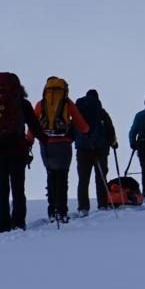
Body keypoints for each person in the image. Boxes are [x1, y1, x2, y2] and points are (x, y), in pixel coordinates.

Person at [0, 73, 39, 233]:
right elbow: (35, 126)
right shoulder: (22, 103)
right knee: (18, 188)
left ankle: (3, 225)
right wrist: (42, 141)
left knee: (2, 188)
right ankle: (18, 223)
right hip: (18, 151)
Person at [34, 76, 92, 222]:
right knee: (62, 178)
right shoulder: (68, 104)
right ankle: (62, 212)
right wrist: (85, 131)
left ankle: (52, 210)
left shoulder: (41, 104)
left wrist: (29, 140)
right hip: (64, 146)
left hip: (46, 145)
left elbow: (34, 125)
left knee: (51, 176)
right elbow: (82, 125)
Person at [75, 88, 117, 216]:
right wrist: (113, 143)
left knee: (83, 179)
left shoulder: (79, 112)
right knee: (101, 177)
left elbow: (72, 128)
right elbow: (110, 129)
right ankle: (102, 205)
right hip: (100, 149)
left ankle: (83, 207)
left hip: (83, 149)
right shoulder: (101, 112)